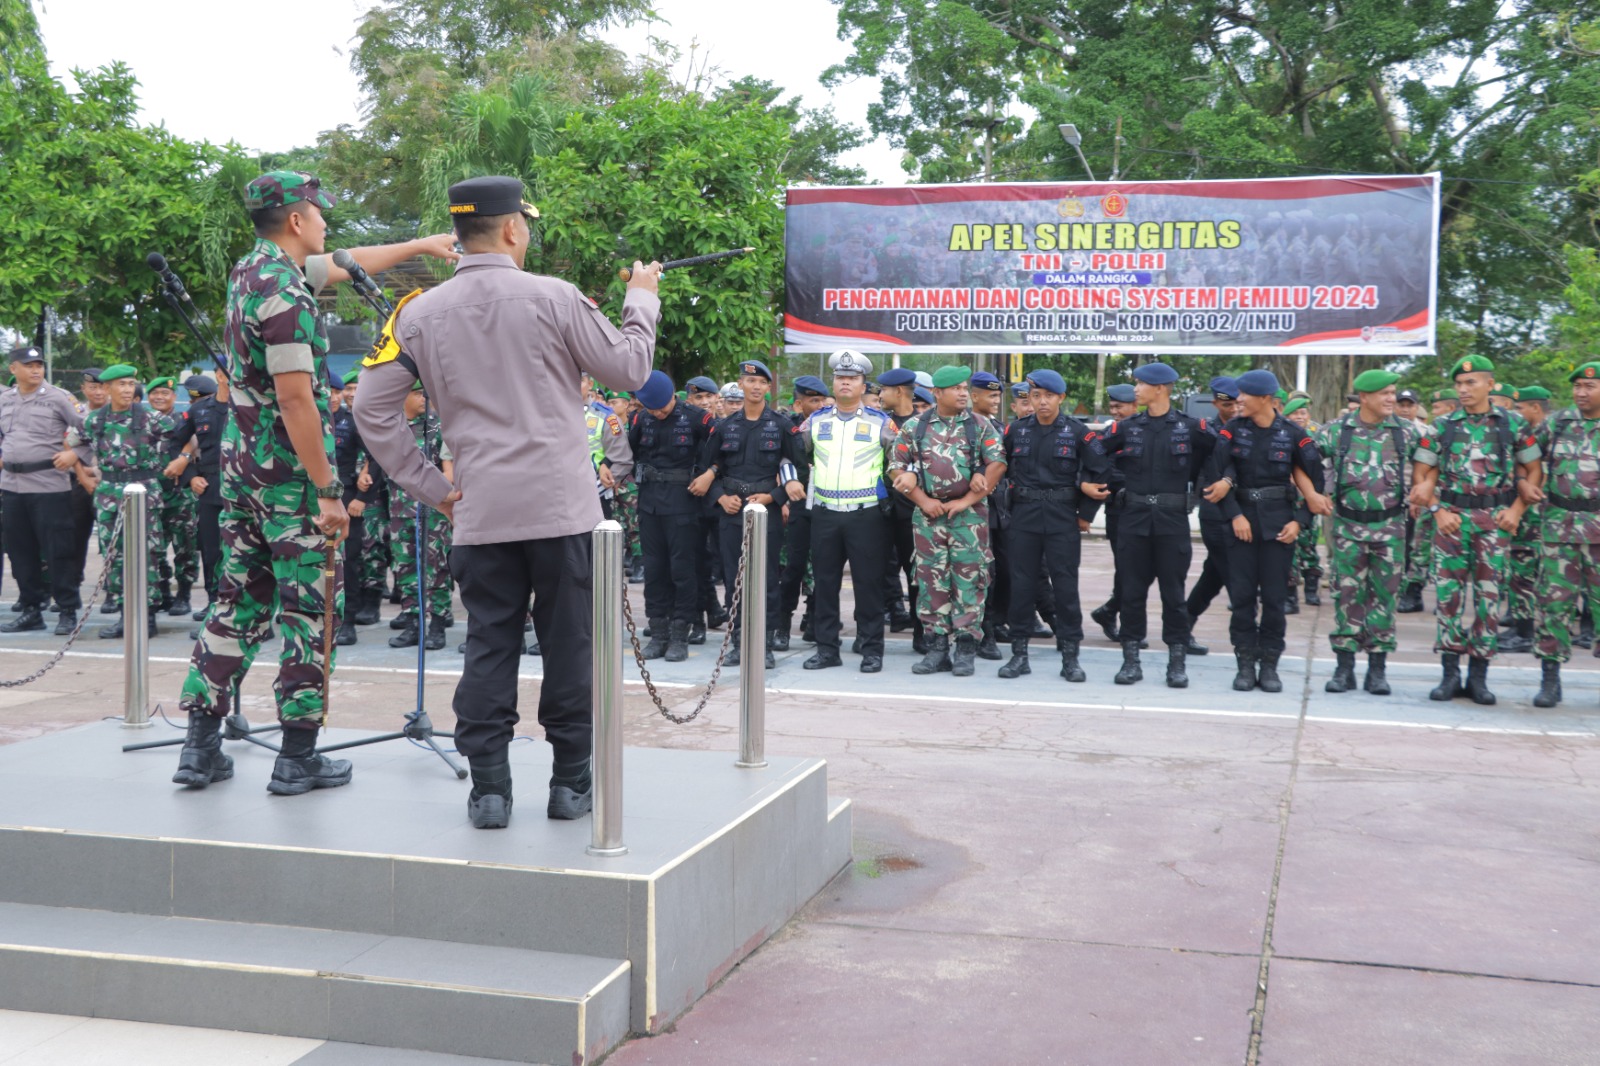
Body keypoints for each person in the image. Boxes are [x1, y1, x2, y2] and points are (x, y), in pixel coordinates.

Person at [356, 174, 657, 829]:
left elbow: (370, 412)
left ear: (459, 233)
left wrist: (433, 489)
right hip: (561, 510)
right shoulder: (555, 297)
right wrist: (642, 298)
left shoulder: (415, 312)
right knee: (569, 644)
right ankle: (569, 784)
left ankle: (489, 791)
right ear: (515, 228)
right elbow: (630, 371)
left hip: (479, 511)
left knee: (487, 644)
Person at [172, 169, 461, 796]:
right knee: (308, 614)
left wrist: (419, 245)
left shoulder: (253, 270)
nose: (327, 222)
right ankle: (297, 755)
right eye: (320, 212)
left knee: (234, 604)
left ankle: (199, 746)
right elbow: (298, 400)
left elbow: (344, 263)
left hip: (243, 475)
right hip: (292, 484)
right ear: (297, 220)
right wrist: (328, 490)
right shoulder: (287, 296)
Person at [1410, 356, 1541, 705]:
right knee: (1448, 599)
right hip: (1451, 521)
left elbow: (1533, 469)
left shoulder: (1512, 424)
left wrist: (1517, 510)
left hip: (1494, 524)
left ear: (1490, 385)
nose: (1464, 390)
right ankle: (1449, 676)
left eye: (1471, 383)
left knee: (1488, 600)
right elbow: (1421, 479)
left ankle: (1479, 677)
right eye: (1459, 385)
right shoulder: (1441, 426)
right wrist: (1437, 512)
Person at [1090, 364, 1221, 686]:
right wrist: (1102, 481)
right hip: (1133, 522)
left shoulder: (1192, 428)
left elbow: (1220, 454)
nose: (1136, 390)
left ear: (1161, 388)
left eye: (1141, 384)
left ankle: (1176, 664)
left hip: (1172, 521)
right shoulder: (1128, 427)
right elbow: (1093, 449)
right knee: (1132, 593)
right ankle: (1130, 662)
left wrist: (1217, 481)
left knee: (1173, 595)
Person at [1206, 369, 1325, 693]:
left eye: (1244, 394)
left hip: (1279, 527)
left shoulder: (1293, 434)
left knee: (1275, 599)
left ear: (1265, 400)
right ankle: (1245, 663)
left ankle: (1269, 663)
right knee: (1242, 598)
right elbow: (1216, 474)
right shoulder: (1232, 430)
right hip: (1240, 526)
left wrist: (1299, 521)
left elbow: (1316, 483)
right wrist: (1234, 516)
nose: (1238, 400)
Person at [888, 365, 1006, 676]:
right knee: (930, 580)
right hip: (928, 518)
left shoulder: (980, 426)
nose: (963, 393)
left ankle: (966, 647)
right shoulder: (916, 426)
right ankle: (936, 648)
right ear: (937, 393)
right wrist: (924, 501)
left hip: (969, 518)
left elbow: (997, 464)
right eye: (956, 388)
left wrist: (965, 500)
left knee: (970, 578)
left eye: (965, 388)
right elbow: (895, 467)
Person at [1308, 370, 1420, 694]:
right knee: (1347, 598)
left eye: (1393, 393)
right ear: (1365, 397)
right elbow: (1305, 462)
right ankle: (1344, 669)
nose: (1391, 399)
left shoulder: (1406, 433)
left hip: (1391, 530)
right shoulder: (1336, 432)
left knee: (1385, 598)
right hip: (1347, 529)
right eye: (1385, 394)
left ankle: (1377, 670)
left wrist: (1424, 488)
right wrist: (1316, 493)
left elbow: (1432, 464)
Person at [995, 369, 1110, 683]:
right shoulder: (1016, 431)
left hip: (1062, 517)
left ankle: (1070, 656)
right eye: (1036, 396)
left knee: (1065, 587)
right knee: (1022, 586)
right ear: (1029, 399)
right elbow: (998, 468)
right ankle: (1019, 655)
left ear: (1061, 398)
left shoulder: (1078, 433)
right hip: (1023, 517)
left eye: (1048, 396)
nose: (1042, 402)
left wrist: (1085, 513)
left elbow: (1102, 472)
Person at [691, 360, 805, 669]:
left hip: (765, 509)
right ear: (741, 385)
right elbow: (707, 470)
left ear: (769, 388)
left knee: (767, 579)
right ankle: (738, 641)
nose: (755, 387)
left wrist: (774, 496)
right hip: (731, 511)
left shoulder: (782, 426)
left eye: (761, 383)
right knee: (733, 579)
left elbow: (801, 472)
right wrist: (719, 498)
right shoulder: (725, 426)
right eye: (749, 381)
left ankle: (764, 643)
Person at [795, 350, 894, 672]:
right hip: (825, 512)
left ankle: (871, 648)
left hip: (866, 515)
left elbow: (899, 464)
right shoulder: (816, 422)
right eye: (840, 378)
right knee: (824, 584)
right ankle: (827, 649)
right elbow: (797, 457)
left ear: (863, 384)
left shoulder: (881, 424)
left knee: (868, 584)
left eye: (852, 378)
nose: (846, 382)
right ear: (833, 383)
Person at [73, 364, 166, 639]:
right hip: (109, 494)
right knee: (114, 556)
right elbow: (72, 443)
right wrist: (82, 476)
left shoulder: (150, 417)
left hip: (144, 491)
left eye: (130, 383)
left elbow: (181, 437)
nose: (128, 389)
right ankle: (126, 616)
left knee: (147, 555)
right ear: (107, 388)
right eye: (121, 384)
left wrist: (181, 460)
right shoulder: (95, 420)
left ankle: (148, 618)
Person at [0, 346, 88, 636]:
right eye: (28, 365)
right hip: (11, 486)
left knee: (58, 550)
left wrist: (75, 456)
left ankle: (66, 609)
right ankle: (31, 609)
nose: (36, 370)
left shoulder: (59, 397)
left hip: (48, 484)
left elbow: (91, 429)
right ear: (13, 369)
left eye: (39, 364)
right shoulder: (5, 400)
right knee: (20, 551)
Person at [630, 369, 715, 663]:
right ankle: (659, 632)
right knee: (654, 571)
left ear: (674, 396)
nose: (659, 412)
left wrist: (710, 473)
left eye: (663, 406)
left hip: (683, 504)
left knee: (682, 571)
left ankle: (680, 634)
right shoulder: (641, 419)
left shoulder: (696, 418)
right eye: (652, 408)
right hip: (650, 504)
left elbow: (724, 449)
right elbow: (629, 453)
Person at [1529, 362, 1600, 707]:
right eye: (1577, 387)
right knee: (1553, 605)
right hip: (1559, 529)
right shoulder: (1558, 423)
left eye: (1590, 387)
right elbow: (1526, 456)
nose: (1581, 393)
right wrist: (1526, 484)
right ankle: (1550, 680)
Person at [384, 382, 454, 651]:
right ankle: (413, 623)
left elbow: (448, 471)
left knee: (436, 568)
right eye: (415, 393)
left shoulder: (438, 428)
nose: (422, 399)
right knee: (405, 568)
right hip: (400, 510)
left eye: (423, 393)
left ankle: (437, 624)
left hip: (432, 511)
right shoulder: (395, 429)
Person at [162, 373, 227, 631]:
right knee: (212, 552)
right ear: (220, 375)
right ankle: (215, 606)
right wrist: (190, 476)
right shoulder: (200, 410)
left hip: (247, 492)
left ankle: (254, 615)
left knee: (249, 555)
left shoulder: (252, 408)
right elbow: (173, 443)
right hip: (210, 490)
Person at [1183, 376, 1240, 651]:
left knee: (1213, 576)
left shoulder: (1248, 428)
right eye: (1228, 404)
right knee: (1235, 577)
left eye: (1238, 403)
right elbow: (1193, 469)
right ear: (1217, 404)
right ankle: (1247, 643)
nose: (1234, 408)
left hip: (1241, 511)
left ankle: (1181, 627)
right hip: (1214, 512)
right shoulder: (1206, 432)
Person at [775, 374, 832, 651]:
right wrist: (785, 497)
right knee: (793, 567)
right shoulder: (790, 429)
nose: (820, 405)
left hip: (828, 504)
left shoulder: (833, 426)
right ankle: (782, 624)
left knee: (824, 567)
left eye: (823, 399)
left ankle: (815, 622)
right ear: (799, 405)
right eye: (814, 400)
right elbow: (782, 461)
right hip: (798, 505)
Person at [1499, 385, 1552, 653]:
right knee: (1520, 572)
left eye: (1520, 408)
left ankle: (1525, 633)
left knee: (1525, 572)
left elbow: (1538, 472)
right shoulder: (1535, 433)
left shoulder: (1547, 432)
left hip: (1535, 513)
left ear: (1536, 408)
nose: (1515, 413)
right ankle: (1520, 628)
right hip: (1528, 511)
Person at [875, 367, 923, 650]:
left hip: (911, 511)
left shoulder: (924, 424)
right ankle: (870, 636)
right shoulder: (879, 423)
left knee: (916, 573)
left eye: (884, 390)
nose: (880, 395)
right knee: (874, 572)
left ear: (900, 391)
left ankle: (921, 633)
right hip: (879, 510)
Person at [1089, 383, 1139, 643]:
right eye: (1113, 407)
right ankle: (1123, 621)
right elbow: (1102, 469)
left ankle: (1109, 611)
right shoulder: (1111, 433)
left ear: (1135, 405)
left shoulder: (1145, 430)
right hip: (1120, 509)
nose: (1115, 411)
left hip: (1145, 511)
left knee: (1138, 571)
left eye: (1119, 406)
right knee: (1128, 570)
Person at [146, 376, 198, 616]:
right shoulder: (143, 422)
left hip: (181, 496)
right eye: (154, 393)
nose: (159, 397)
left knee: (185, 547)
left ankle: (184, 595)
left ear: (174, 398)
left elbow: (196, 444)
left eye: (164, 393)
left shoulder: (184, 421)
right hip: (150, 497)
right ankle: (163, 592)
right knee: (154, 549)